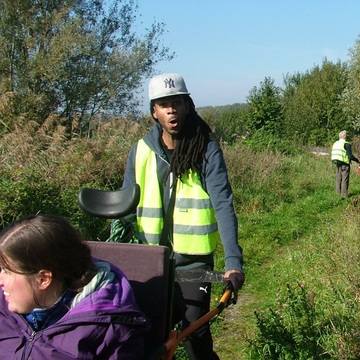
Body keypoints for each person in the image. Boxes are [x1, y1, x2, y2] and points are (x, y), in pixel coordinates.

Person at [121, 73, 244, 360]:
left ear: (188, 106)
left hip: (193, 262)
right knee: (150, 339)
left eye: (177, 102)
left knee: (194, 336)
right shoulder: (140, 150)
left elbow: (223, 204)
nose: (171, 109)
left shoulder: (206, 149)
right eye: (164, 104)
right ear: (154, 112)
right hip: (150, 262)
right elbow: (125, 206)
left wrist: (233, 262)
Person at [0, 214, 149, 359]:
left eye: (7, 271)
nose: (1, 280)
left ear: (43, 279)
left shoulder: (111, 331)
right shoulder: (5, 306)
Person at [331, 130, 359, 198]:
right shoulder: (346, 144)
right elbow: (350, 156)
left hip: (337, 163)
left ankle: (338, 193)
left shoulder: (336, 143)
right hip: (345, 163)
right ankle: (344, 194)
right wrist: (357, 160)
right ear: (345, 136)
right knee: (345, 179)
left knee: (338, 178)